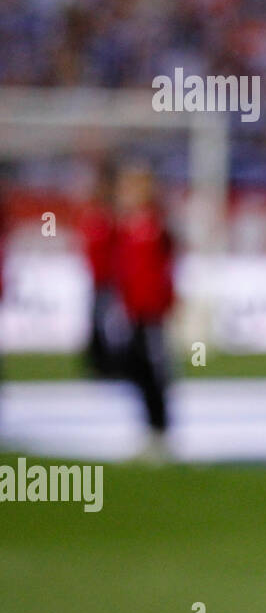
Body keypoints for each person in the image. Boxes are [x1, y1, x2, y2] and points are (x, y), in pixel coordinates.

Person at [114, 163, 175, 460]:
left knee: (154, 370)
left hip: (152, 312)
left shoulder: (155, 224)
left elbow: (165, 268)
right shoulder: (127, 226)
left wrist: (166, 303)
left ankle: (160, 430)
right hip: (133, 310)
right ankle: (148, 427)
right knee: (136, 367)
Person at [80, 163, 120, 377]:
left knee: (105, 322)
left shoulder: (109, 217)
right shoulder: (97, 216)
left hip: (108, 279)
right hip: (100, 279)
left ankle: (103, 363)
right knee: (98, 320)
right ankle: (98, 364)